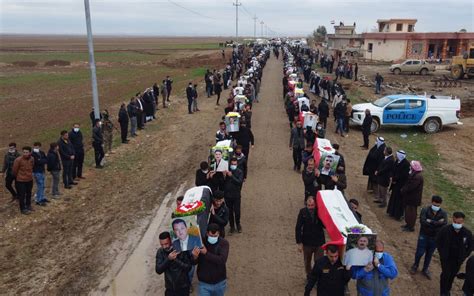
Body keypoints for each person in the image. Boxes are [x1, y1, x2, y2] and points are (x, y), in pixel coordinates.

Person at [410, 195, 447, 279]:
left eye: (438, 205)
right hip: (424, 235)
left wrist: (430, 221)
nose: (436, 207)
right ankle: (415, 265)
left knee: (429, 254)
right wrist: (437, 223)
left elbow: (444, 225)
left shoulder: (443, 213)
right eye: (435, 205)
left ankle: (425, 269)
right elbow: (423, 222)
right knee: (420, 252)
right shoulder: (425, 210)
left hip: (435, 237)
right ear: (432, 202)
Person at [437, 212, 473, 296]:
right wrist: (442, 253)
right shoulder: (445, 230)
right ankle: (443, 292)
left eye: (459, 223)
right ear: (453, 219)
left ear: (463, 221)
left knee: (452, 275)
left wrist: (464, 255)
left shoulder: (467, 233)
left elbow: (470, 246)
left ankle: (448, 289)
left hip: (457, 260)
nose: (457, 224)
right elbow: (438, 241)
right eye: (455, 222)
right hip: (446, 258)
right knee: (445, 274)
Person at [155, 231, 199, 296]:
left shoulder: (182, 248)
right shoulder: (160, 252)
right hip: (170, 288)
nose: (164, 247)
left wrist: (175, 260)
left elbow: (188, 268)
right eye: (162, 245)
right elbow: (158, 270)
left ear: (171, 240)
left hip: (183, 286)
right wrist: (168, 259)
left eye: (166, 244)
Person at [295, 196, 326, 276]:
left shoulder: (320, 211)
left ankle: (316, 277)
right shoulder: (302, 212)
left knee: (318, 262)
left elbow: (325, 225)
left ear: (315, 204)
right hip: (307, 242)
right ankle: (309, 276)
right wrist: (299, 242)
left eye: (312, 205)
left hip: (319, 242)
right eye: (308, 205)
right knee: (307, 261)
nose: (310, 207)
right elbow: (298, 227)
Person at [197, 223, 229, 296]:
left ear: (219, 234)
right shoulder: (201, 243)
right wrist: (194, 256)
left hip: (219, 283)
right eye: (211, 235)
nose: (213, 237)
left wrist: (206, 253)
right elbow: (194, 262)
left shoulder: (224, 243)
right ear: (207, 233)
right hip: (204, 283)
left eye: (215, 236)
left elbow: (222, 260)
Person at [401, 160, 424, 232]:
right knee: (408, 212)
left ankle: (411, 226)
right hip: (410, 198)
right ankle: (408, 224)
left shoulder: (417, 177)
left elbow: (411, 187)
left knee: (411, 213)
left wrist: (403, 190)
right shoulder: (415, 175)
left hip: (413, 199)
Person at [386, 150, 410, 220]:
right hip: (395, 184)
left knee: (399, 200)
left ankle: (397, 215)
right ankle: (391, 212)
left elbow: (404, 175)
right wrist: (392, 177)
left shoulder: (406, 164)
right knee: (393, 198)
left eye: (397, 155)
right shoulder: (397, 161)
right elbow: (393, 170)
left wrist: (395, 179)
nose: (396, 156)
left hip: (400, 185)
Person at [223, 158, 244, 233]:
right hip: (227, 195)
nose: (233, 165)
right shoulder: (226, 171)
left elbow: (239, 182)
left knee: (237, 211)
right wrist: (224, 177)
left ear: (237, 164)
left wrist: (231, 176)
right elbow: (221, 184)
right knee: (229, 212)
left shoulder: (240, 172)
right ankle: (232, 226)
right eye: (232, 164)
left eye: (235, 164)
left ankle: (238, 224)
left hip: (236, 195)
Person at [12, 147, 34, 214]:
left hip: (29, 179)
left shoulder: (32, 159)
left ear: (30, 152)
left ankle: (28, 205)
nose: (25, 154)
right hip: (21, 180)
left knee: (29, 193)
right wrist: (19, 176)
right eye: (24, 152)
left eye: (26, 152)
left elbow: (32, 166)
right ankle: (23, 209)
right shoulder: (18, 160)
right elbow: (14, 170)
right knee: (22, 195)